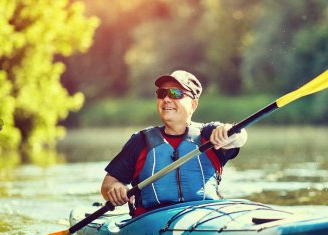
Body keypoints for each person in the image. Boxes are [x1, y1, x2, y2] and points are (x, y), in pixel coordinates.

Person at [101, 70, 248, 217]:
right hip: (151, 222)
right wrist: (115, 189)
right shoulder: (140, 141)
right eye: (161, 93)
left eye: (176, 94)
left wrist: (228, 132)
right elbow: (108, 184)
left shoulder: (209, 134)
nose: (166, 99)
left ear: (193, 104)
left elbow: (238, 137)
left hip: (205, 216)